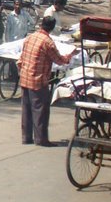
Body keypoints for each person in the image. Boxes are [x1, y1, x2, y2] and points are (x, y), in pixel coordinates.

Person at [17, 15, 76, 146]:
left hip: (25, 78)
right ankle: (41, 139)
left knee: (26, 109)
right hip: (37, 80)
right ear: (52, 27)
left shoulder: (30, 37)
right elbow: (60, 60)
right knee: (40, 110)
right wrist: (71, 55)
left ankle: (26, 138)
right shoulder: (47, 42)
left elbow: (21, 58)